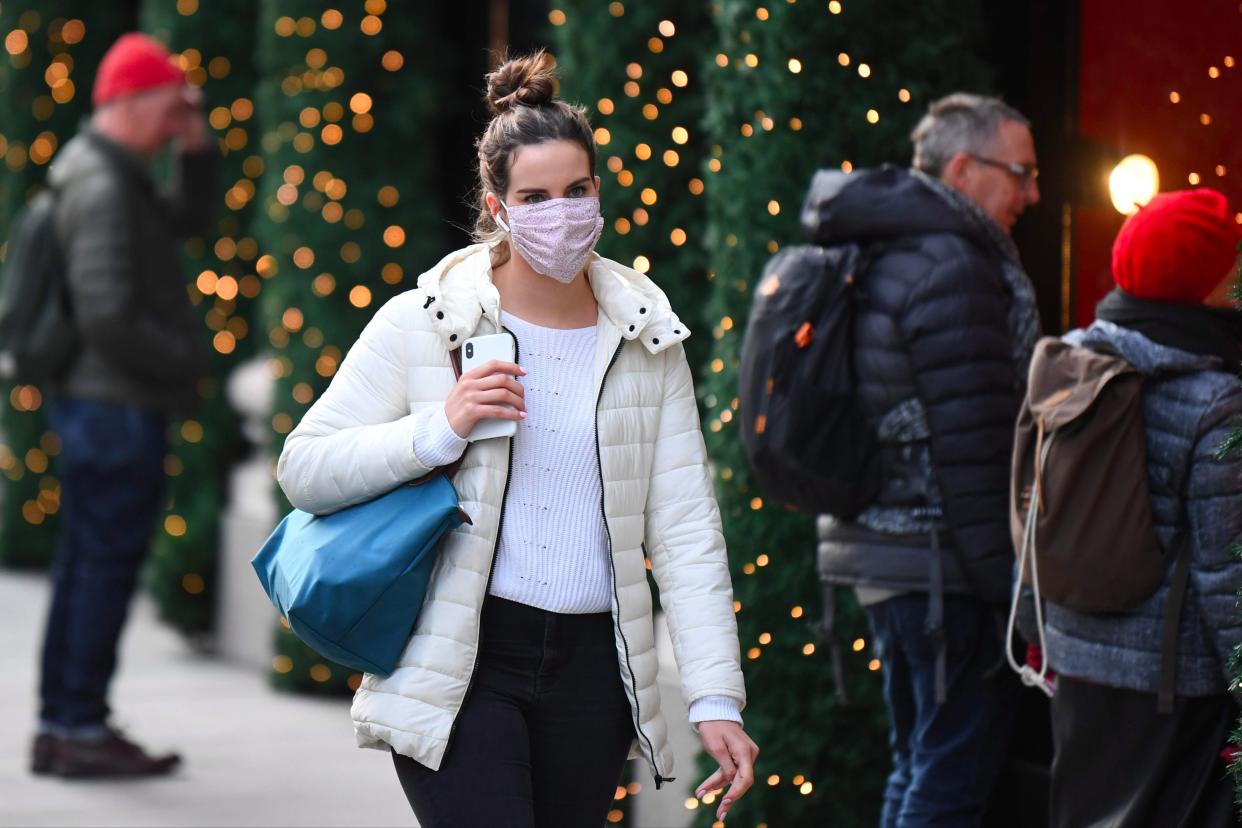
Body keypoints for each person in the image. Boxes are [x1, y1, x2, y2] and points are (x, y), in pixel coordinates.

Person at [276, 52, 757, 827]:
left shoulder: (646, 340)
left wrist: (712, 696)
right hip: (464, 660)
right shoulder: (426, 322)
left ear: (598, 192)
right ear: (497, 205)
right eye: (534, 197)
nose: (560, 213)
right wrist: (441, 427)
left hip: (596, 670)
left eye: (576, 191)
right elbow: (304, 469)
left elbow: (686, 531)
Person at [811, 93, 1041, 826]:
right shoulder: (953, 266)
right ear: (967, 169)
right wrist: (1018, 599)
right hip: (945, 569)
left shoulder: (889, 247)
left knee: (918, 765)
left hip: (888, 560)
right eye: (1022, 172)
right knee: (947, 783)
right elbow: (976, 454)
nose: (1033, 193)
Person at [31, 32, 215, 778]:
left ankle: (63, 724)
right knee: (100, 570)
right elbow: (106, 313)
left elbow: (189, 221)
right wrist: (189, 362)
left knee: (84, 567)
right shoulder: (104, 186)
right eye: (170, 111)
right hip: (114, 409)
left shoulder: (108, 173)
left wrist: (198, 146)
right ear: (131, 101)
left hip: (100, 406)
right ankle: (77, 726)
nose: (174, 126)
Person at [1038, 189, 1242, 828]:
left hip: (1075, 663)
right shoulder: (1217, 400)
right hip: (1172, 684)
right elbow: (1226, 573)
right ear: (1201, 284)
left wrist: (1035, 632)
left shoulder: (1070, 361)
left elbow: (1030, 511)